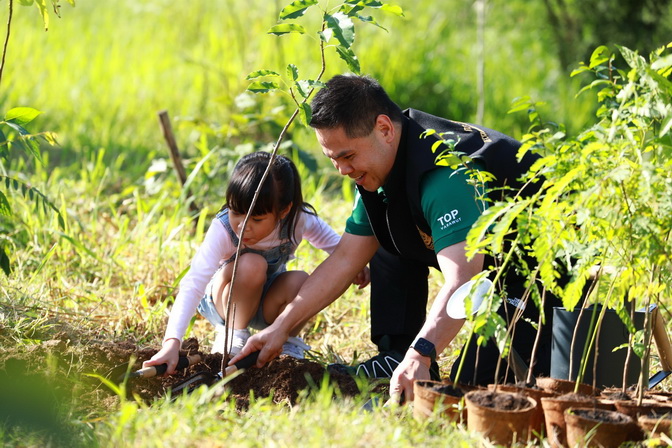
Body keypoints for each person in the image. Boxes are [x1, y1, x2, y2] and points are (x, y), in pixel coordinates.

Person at [231, 75, 562, 401]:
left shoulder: (444, 174)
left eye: (348, 156)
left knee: (470, 386)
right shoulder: (377, 171)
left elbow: (463, 280)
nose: (342, 171)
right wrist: (281, 327)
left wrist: (423, 353)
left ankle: (415, 355)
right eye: (333, 159)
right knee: (385, 227)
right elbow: (345, 259)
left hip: (544, 278)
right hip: (489, 270)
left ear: (385, 129)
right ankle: (396, 352)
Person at [144, 151, 369, 374]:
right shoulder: (223, 229)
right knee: (252, 264)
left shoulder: (298, 220)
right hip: (225, 301)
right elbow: (194, 282)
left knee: (301, 281)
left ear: (284, 211)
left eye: (257, 219)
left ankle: (287, 341)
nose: (243, 226)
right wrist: (171, 342)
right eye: (235, 213)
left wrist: (357, 267)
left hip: (266, 301)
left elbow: (340, 250)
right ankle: (233, 335)